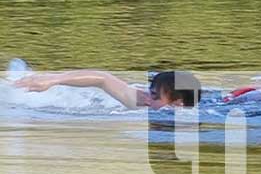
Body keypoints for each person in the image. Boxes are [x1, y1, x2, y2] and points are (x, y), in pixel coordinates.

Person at [12, 70, 201, 110]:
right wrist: (54, 79)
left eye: (155, 96)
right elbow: (103, 79)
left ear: (178, 103)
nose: (146, 99)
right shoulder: (141, 102)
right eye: (149, 93)